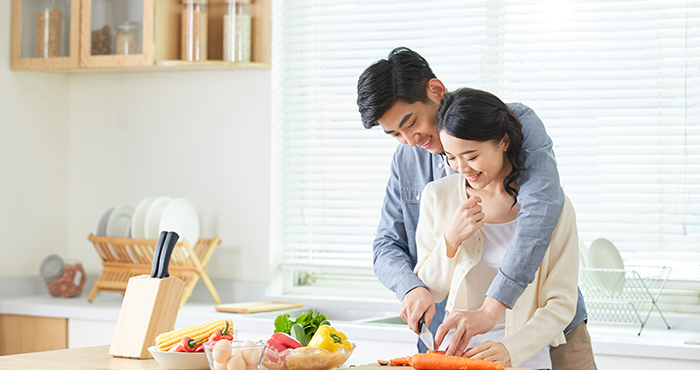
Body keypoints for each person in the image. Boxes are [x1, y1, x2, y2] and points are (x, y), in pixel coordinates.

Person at [356, 47, 596, 370]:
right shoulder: (420, 175)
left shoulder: (512, 125)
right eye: (395, 134)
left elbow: (541, 212)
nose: (410, 141)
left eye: (410, 123)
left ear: (436, 91)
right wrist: (411, 287)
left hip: (548, 337)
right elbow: (388, 245)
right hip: (455, 341)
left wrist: (492, 312)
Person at [414, 87, 579, 369]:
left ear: (503, 141)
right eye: (451, 158)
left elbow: (561, 303)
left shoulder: (553, 207)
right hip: (456, 358)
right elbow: (432, 290)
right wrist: (450, 241)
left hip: (523, 357)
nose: (462, 168)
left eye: (471, 156)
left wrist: (509, 350)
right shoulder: (437, 196)